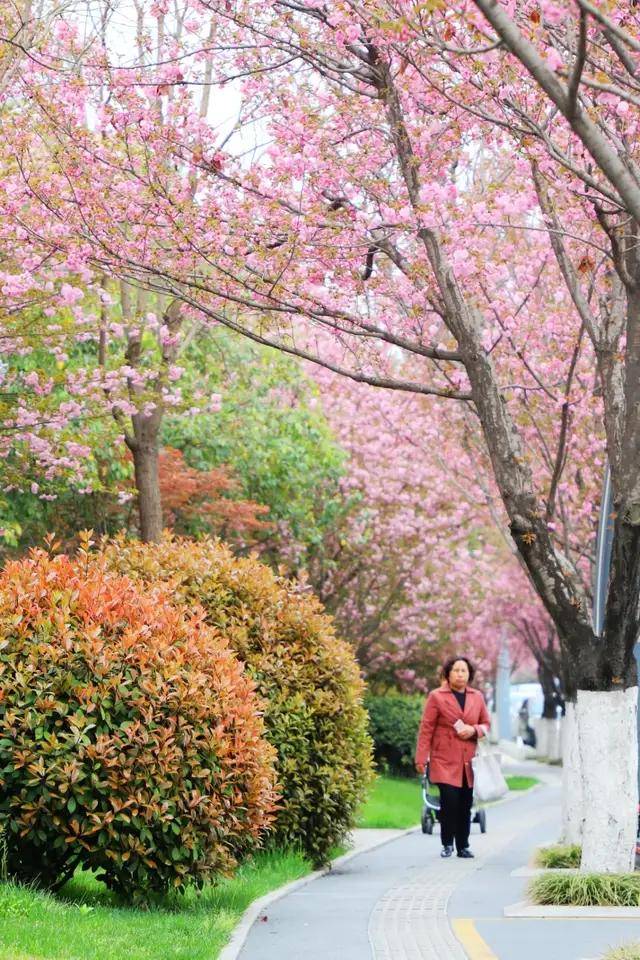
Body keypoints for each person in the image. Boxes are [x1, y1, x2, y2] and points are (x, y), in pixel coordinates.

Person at [415, 656, 490, 859]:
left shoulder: (477, 697)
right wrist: (421, 758)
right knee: (449, 801)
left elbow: (486, 724)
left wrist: (473, 730)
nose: (459, 674)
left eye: (463, 670)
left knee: (465, 803)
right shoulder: (436, 697)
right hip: (444, 759)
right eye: (455, 670)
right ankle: (447, 843)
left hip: (468, 761)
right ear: (448, 674)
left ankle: (463, 845)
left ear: (469, 674)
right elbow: (426, 729)